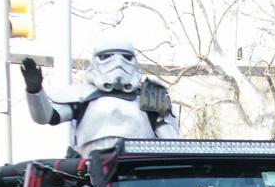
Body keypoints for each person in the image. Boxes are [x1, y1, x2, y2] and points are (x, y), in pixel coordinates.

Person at [21, 37, 179, 157]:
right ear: (97, 60)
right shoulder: (82, 95)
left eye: (126, 57)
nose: (117, 63)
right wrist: (35, 92)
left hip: (139, 178)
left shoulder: (150, 96)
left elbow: (173, 146)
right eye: (108, 56)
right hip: (90, 174)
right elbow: (47, 116)